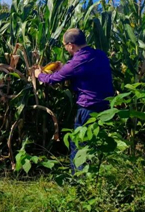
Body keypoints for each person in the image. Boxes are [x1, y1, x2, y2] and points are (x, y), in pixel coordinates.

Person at [35, 28, 114, 172]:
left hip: (88, 107)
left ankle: (78, 177)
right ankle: (95, 174)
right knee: (95, 142)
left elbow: (52, 79)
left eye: (65, 45)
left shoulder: (77, 61)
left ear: (71, 45)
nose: (65, 49)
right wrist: (65, 67)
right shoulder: (100, 55)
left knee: (79, 143)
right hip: (106, 106)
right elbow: (85, 71)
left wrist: (39, 74)